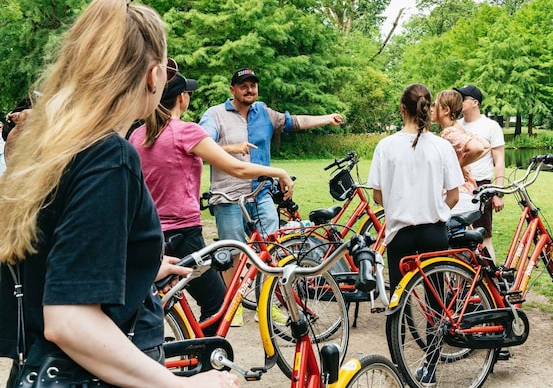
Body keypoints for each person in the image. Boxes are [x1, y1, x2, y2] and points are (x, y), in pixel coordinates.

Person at [0, 0, 238, 388]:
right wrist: (181, 386)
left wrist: (131, 267)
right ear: (152, 75)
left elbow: (51, 260)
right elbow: (69, 318)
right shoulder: (110, 156)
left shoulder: (48, 148)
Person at [129, 66, 294, 330]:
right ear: (182, 98)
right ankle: (202, 362)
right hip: (184, 235)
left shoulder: (138, 135)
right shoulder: (186, 132)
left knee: (158, 301)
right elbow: (236, 167)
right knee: (216, 303)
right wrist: (278, 171)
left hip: (149, 235)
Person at [198, 68, 343, 244]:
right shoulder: (215, 114)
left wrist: (327, 118)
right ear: (232, 90)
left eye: (253, 85)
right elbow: (201, 146)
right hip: (228, 197)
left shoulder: (264, 113)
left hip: (261, 195)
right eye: (243, 86)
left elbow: (295, 122)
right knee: (232, 253)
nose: (249, 90)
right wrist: (232, 148)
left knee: (272, 249)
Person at [367, 83, 464, 290]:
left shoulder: (386, 146)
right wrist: (437, 209)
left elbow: (377, 195)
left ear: (402, 108)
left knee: (398, 295)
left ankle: (400, 323)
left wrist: (398, 205)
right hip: (433, 231)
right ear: (429, 109)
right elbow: (454, 196)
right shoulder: (442, 147)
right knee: (436, 295)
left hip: (400, 231)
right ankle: (437, 322)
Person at [454, 84, 505, 260]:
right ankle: (462, 282)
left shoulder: (491, 126)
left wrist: (498, 193)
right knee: (458, 237)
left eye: (463, 98)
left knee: (483, 237)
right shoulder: (455, 125)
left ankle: (489, 282)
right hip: (459, 186)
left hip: (482, 187)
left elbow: (499, 161)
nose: (458, 101)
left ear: (475, 102)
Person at [431, 89, 491, 216]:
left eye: (434, 105)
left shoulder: (449, 133)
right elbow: (486, 146)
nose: (431, 108)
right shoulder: (459, 131)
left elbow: (478, 148)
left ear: (446, 110)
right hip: (467, 191)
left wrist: (458, 166)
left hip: (456, 193)